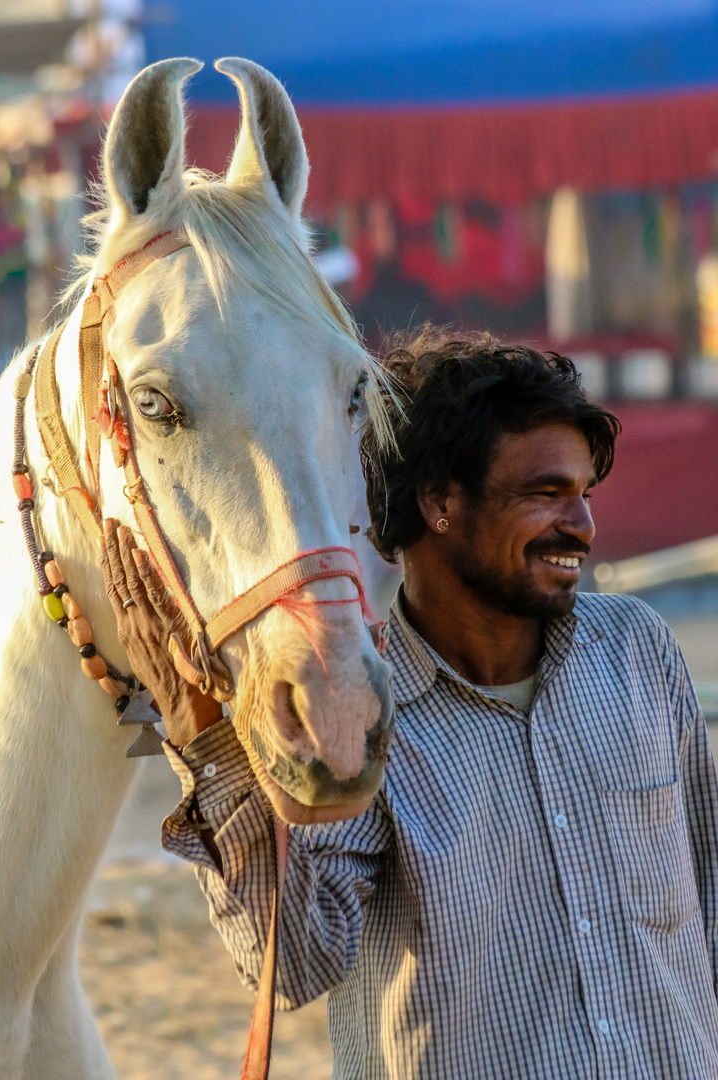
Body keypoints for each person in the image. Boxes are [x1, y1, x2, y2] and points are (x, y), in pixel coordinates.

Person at [101, 328, 718, 1080]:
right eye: (544, 494)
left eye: (584, 494)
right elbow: (294, 963)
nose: (582, 527)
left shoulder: (636, 653)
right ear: (439, 503)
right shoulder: (357, 709)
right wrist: (205, 737)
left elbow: (708, 900)